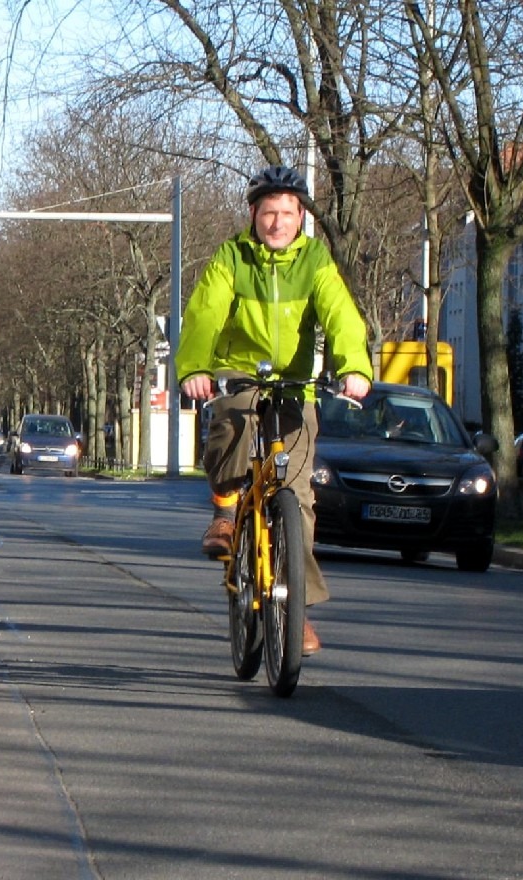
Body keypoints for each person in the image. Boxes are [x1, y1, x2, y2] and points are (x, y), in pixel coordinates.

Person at [174, 165, 373, 655]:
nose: (277, 222)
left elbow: (341, 315)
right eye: (269, 213)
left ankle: (295, 610)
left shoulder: (316, 262)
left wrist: (355, 367)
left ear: (301, 215)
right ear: (253, 215)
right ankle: (224, 513)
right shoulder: (232, 258)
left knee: (298, 500)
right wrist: (195, 367)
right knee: (232, 422)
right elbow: (204, 312)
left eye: (287, 213)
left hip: (294, 385)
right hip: (240, 372)